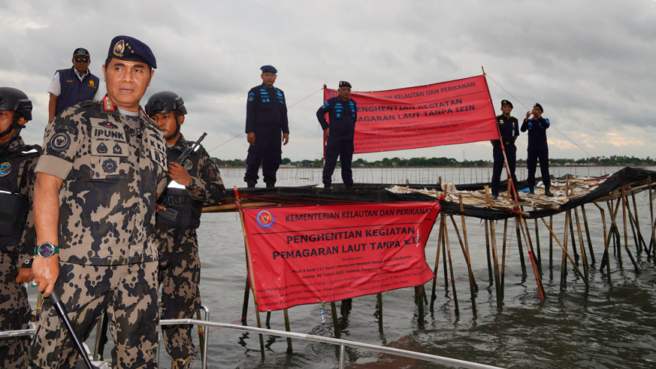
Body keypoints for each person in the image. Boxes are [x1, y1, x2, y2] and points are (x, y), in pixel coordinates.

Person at [30, 35, 167, 369]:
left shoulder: (155, 134)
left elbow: (154, 192)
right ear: (104, 71)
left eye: (138, 70)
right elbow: (46, 186)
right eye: (119, 68)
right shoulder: (76, 119)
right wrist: (46, 253)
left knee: (138, 362)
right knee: (50, 360)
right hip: (79, 267)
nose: (127, 78)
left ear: (150, 76)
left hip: (140, 270)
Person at [145, 91, 226, 369]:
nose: (159, 123)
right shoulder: (140, 151)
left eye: (165, 117)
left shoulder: (196, 154)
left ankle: (180, 363)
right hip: (144, 244)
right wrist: (145, 204)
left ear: (179, 117)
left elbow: (218, 193)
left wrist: (189, 180)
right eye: (154, 118)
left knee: (180, 313)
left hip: (183, 246)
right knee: (137, 312)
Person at [0, 87, 40, 369]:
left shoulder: (29, 160)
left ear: (20, 120)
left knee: (10, 331)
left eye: (0, 115)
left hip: (9, 262)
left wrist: (27, 261)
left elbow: (38, 212)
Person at [244, 65, 289, 188]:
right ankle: (251, 183)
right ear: (262, 76)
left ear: (275, 77)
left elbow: (284, 113)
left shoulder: (280, 93)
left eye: (272, 75)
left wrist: (285, 131)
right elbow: (250, 112)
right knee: (255, 157)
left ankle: (270, 184)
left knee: (273, 158)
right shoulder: (255, 91)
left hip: (275, 132)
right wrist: (250, 131)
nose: (269, 78)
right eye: (267, 75)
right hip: (259, 131)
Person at [316, 81, 358, 189]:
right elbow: (319, 113)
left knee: (347, 162)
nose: (346, 91)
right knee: (330, 161)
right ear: (338, 91)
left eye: (348, 90)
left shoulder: (353, 103)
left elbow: (354, 119)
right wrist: (326, 127)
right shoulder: (332, 102)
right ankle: (326, 183)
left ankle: (348, 184)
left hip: (348, 139)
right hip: (335, 137)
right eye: (343, 89)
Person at [47, 48, 103, 121]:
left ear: (89, 62)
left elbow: (96, 104)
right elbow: (53, 98)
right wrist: (50, 121)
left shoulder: (95, 80)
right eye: (78, 60)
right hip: (62, 122)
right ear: (72, 61)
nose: (81, 62)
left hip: (85, 124)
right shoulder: (61, 75)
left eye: (85, 60)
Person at [489, 99, 522, 201]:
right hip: (499, 147)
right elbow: (492, 136)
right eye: (505, 107)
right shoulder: (497, 119)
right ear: (501, 109)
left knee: (511, 172)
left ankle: (514, 194)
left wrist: (509, 143)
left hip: (510, 147)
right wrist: (498, 145)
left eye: (509, 107)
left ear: (511, 109)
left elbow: (516, 135)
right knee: (497, 170)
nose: (507, 108)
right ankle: (495, 193)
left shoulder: (514, 121)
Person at [521, 103, 553, 197]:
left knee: (544, 169)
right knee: (531, 169)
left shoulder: (545, 120)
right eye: (535, 109)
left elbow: (546, 126)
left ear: (541, 112)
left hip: (543, 149)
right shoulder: (529, 121)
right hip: (532, 149)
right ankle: (531, 189)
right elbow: (522, 129)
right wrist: (526, 118)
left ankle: (547, 189)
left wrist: (540, 117)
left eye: (538, 110)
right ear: (532, 111)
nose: (536, 111)